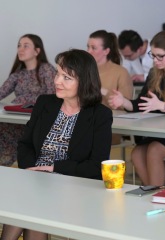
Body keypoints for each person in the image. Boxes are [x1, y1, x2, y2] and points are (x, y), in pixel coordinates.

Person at [0, 49, 113, 240]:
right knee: (31, 200)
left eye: (66, 77)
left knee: (30, 204)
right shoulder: (45, 103)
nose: (57, 81)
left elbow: (97, 166)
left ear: (84, 82)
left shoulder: (99, 115)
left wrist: (52, 169)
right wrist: (32, 169)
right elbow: (25, 144)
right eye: (58, 74)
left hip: (72, 184)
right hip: (35, 179)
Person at [109, 30, 165, 186]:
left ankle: (158, 195)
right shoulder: (154, 73)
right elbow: (142, 102)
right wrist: (125, 102)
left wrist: (163, 106)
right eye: (153, 55)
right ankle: (156, 193)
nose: (156, 60)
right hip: (163, 133)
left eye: (160, 56)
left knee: (154, 150)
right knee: (137, 153)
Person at [0, 34, 56, 166]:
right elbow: (1, 92)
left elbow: (53, 97)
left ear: (37, 51)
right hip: (14, 117)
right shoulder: (18, 73)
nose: (20, 49)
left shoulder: (46, 70)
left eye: (26, 46)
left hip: (34, 121)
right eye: (19, 46)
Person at [87, 30, 133, 144]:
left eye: (93, 48)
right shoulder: (84, 71)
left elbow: (126, 106)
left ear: (106, 51)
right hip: (86, 122)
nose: (88, 51)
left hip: (109, 126)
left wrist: (103, 91)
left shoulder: (121, 72)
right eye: (88, 47)